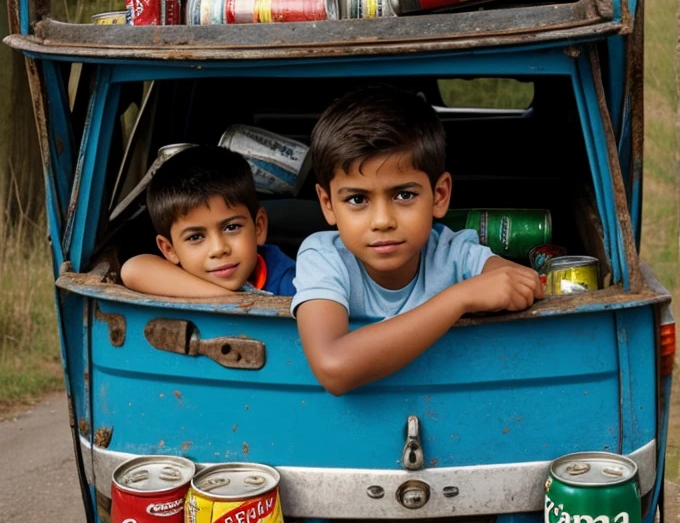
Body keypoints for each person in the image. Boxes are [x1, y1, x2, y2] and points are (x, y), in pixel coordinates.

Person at [292, 85, 544, 395]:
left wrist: (510, 284)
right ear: (328, 204)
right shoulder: (323, 256)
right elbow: (333, 367)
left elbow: (518, 282)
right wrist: (458, 298)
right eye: (357, 199)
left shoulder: (454, 252)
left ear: (439, 196)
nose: (383, 221)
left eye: (404, 195)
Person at [120, 145, 295, 298]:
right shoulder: (175, 277)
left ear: (259, 227)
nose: (218, 249)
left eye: (232, 227)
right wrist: (234, 300)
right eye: (195, 237)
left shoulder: (292, 281)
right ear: (170, 249)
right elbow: (132, 270)